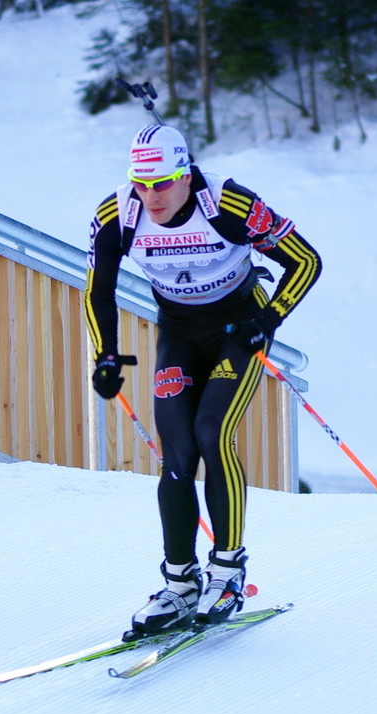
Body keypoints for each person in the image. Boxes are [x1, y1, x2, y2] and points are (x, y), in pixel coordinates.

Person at [84, 124, 321, 635]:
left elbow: (305, 261)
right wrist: (106, 354)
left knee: (213, 434)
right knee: (177, 454)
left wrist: (270, 317)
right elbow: (98, 291)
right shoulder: (117, 216)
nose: (152, 197)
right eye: (141, 184)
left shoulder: (230, 204)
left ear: (186, 175)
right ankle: (179, 582)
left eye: (163, 184)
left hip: (238, 327)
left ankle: (228, 571)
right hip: (179, 332)